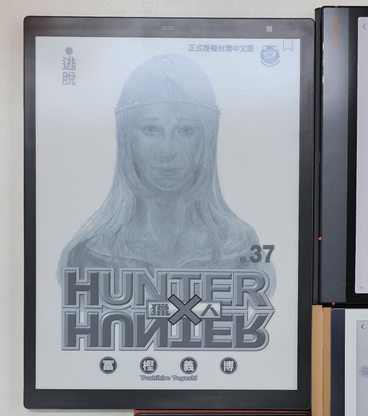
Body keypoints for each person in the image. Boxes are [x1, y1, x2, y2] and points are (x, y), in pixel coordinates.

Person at [58, 54, 272, 283]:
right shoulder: (89, 253)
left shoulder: (240, 248)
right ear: (126, 139)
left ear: (207, 140)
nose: (167, 151)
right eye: (150, 129)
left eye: (185, 130)